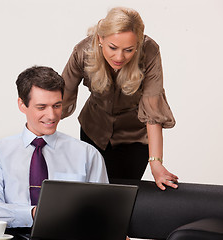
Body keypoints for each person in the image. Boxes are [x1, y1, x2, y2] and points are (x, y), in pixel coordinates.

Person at [0, 66, 109, 240]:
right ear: (22, 104)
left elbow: (102, 212)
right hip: (10, 236)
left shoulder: (87, 154)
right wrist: (34, 213)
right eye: (41, 107)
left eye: (57, 106)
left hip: (62, 236)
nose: (51, 116)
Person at [61, 7, 178, 190]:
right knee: (91, 192)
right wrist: (42, 140)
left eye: (129, 50)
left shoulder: (150, 51)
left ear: (138, 44)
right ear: (101, 38)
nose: (119, 57)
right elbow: (61, 96)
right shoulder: (83, 51)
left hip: (134, 137)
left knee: (120, 195)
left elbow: (152, 110)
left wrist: (156, 163)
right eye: (113, 48)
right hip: (94, 130)